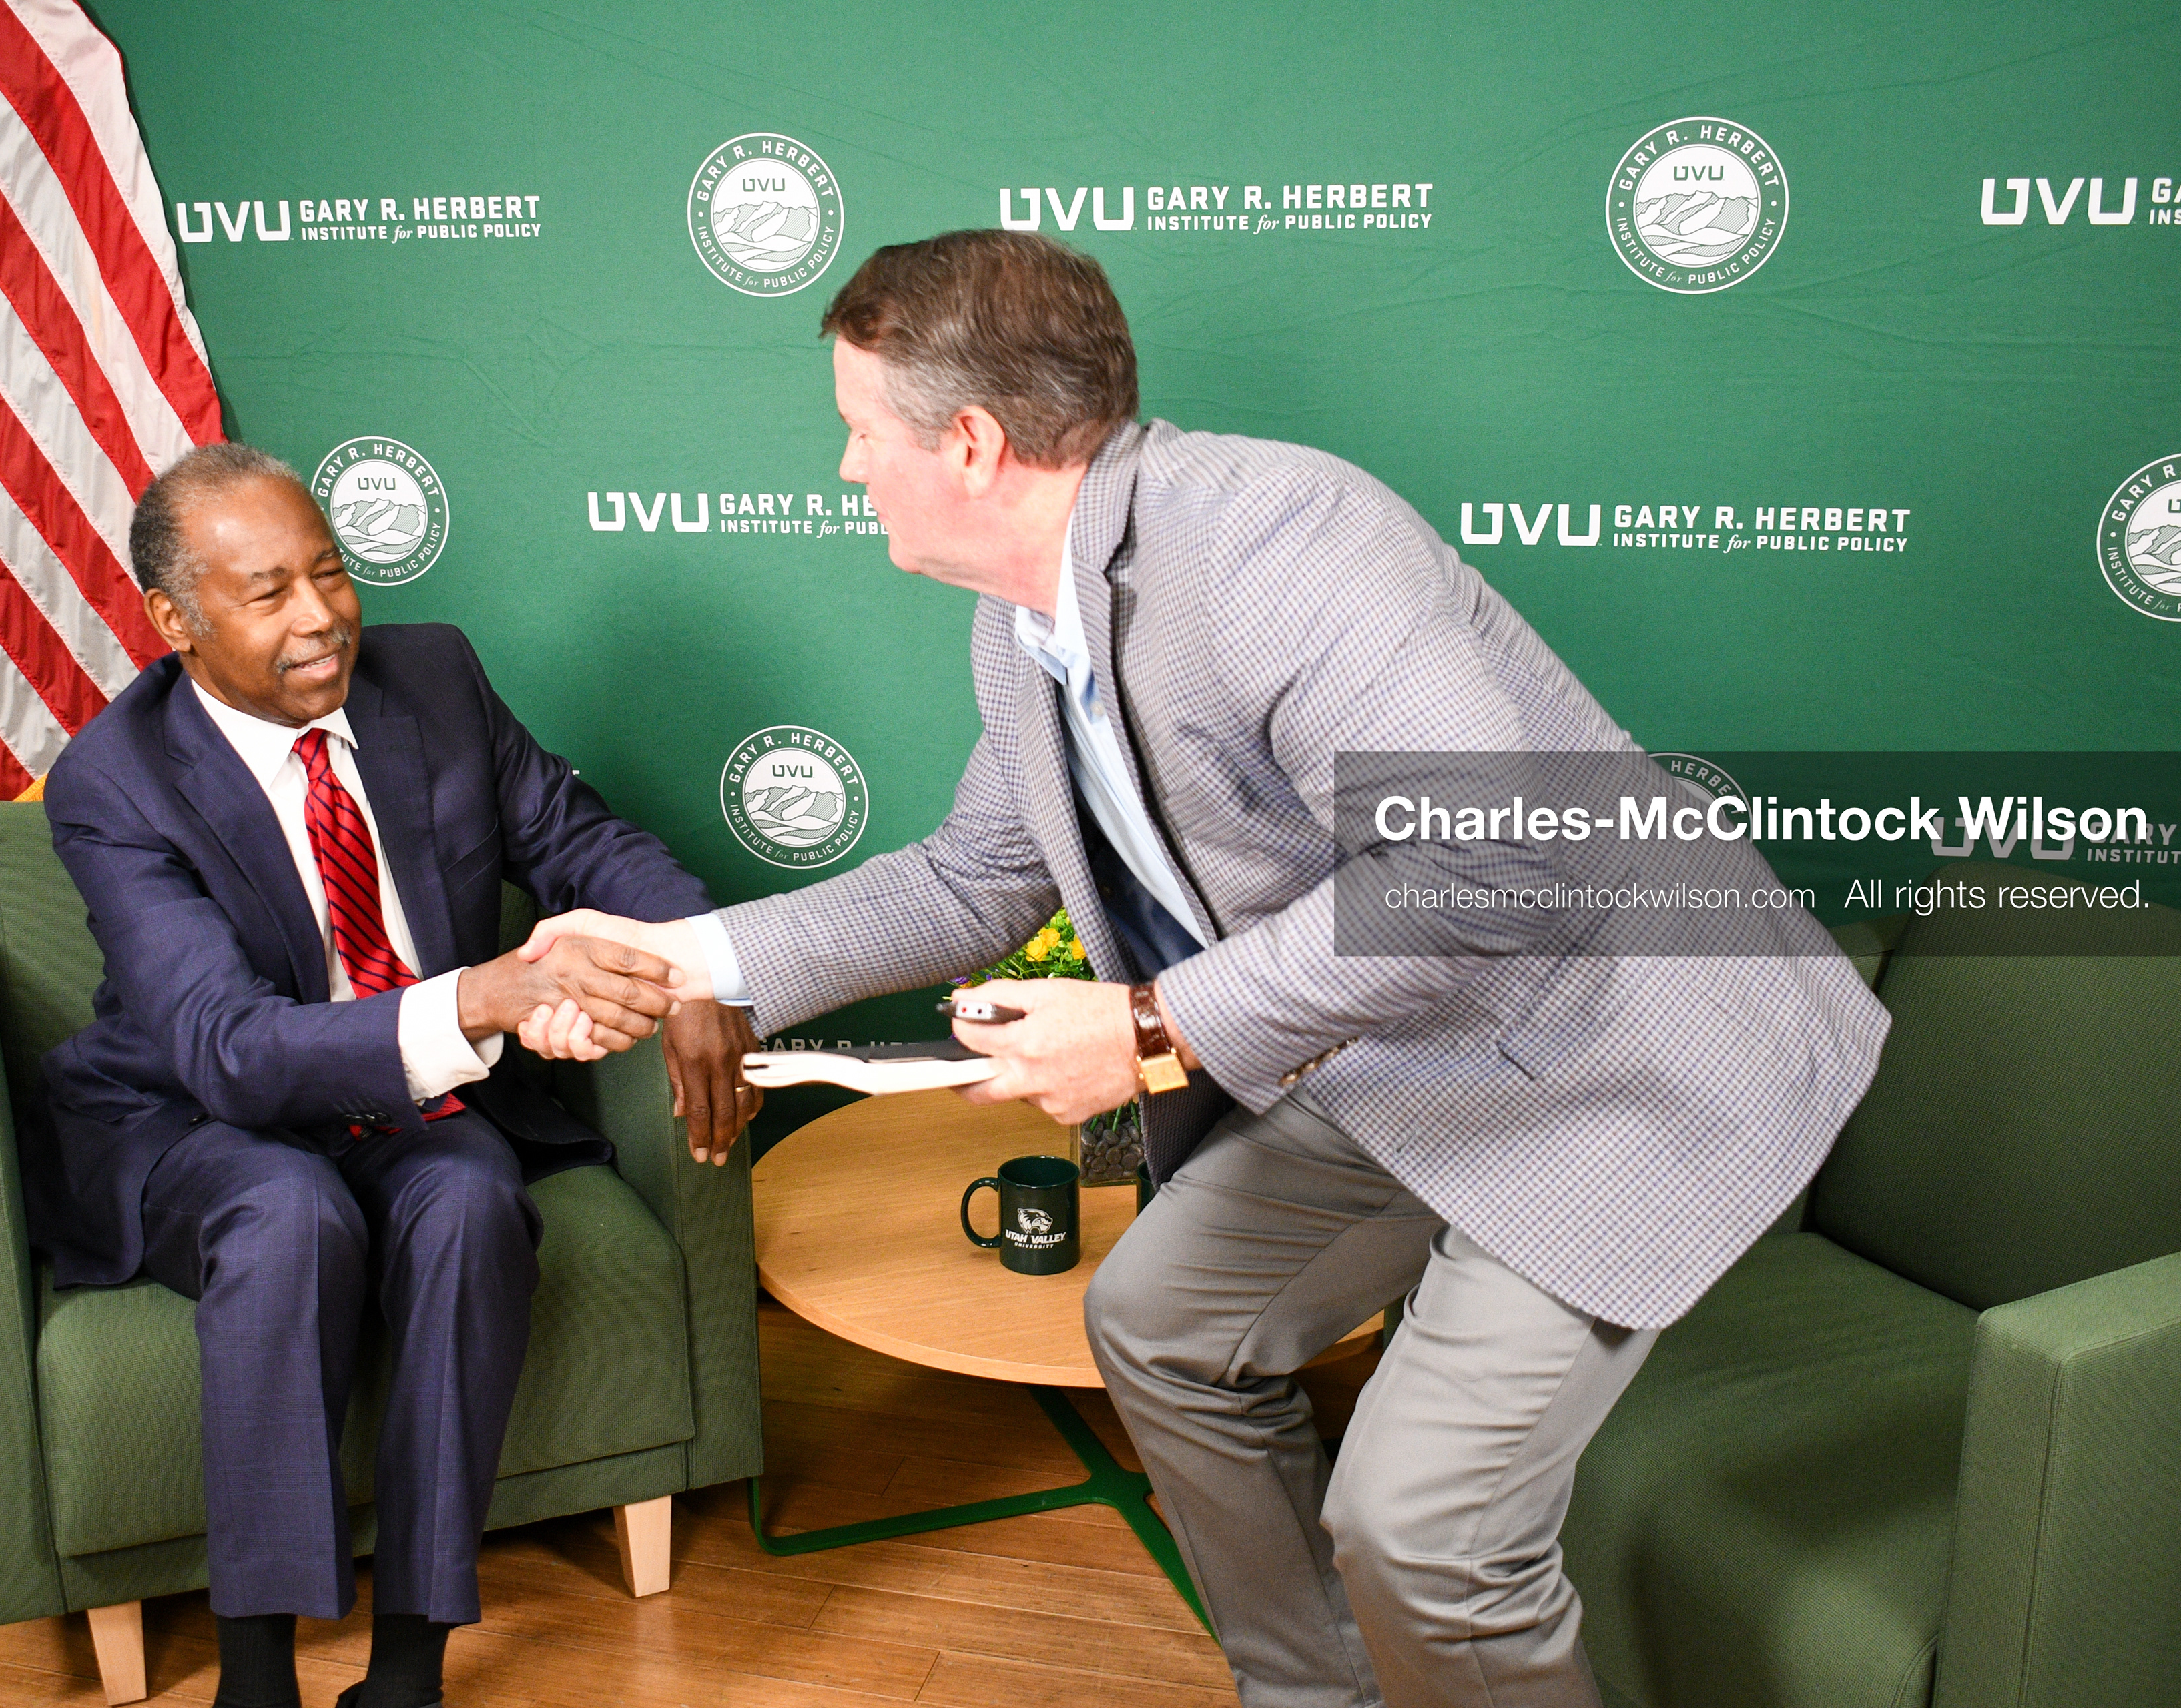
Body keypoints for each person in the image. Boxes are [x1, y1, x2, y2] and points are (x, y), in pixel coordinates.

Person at [523, 230, 1890, 1708]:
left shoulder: (1272, 541)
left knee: (1422, 1529)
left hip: (1608, 1049)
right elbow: (973, 875)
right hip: (1411, 1039)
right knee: (1161, 1319)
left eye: (860, 433)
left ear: (970, 443)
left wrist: (1151, 1023)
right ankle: (1317, 1693)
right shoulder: (1025, 613)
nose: (850, 468)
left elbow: (1489, 862)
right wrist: (673, 956)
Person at [23, 443, 758, 1708]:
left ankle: (408, 1670)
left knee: (473, 1202)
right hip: (199, 1111)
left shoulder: (435, 677)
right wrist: (483, 998)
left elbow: (578, 840)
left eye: (331, 574)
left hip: (414, 1096)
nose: (321, 620)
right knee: (284, 1215)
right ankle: (255, 1677)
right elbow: (227, 1048)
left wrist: (708, 971)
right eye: (269, 595)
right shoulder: (115, 780)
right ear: (175, 622)